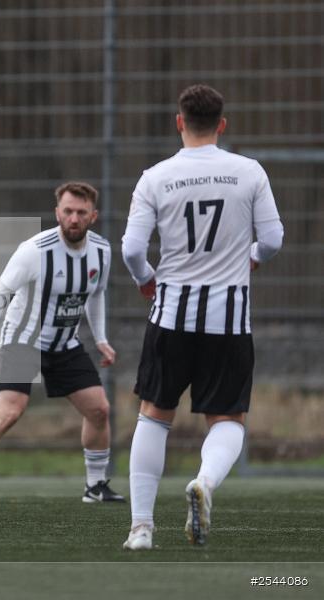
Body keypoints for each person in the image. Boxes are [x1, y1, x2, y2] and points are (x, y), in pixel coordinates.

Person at [121, 84, 283, 550]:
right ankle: (205, 483)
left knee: (154, 417)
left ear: (179, 122)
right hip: (228, 321)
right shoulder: (249, 172)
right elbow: (272, 240)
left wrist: (146, 279)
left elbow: (132, 249)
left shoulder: (156, 177)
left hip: (171, 316)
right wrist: (249, 256)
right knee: (227, 419)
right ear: (222, 125)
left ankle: (142, 529)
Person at [0, 182, 125, 505]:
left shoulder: (102, 251)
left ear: (93, 216)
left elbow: (95, 296)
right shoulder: (35, 250)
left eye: (81, 212)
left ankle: (95, 487)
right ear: (57, 213)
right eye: (67, 211)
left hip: (65, 344)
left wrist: (101, 340)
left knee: (99, 410)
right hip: (23, 340)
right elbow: (0, 296)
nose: (73, 218)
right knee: (10, 411)